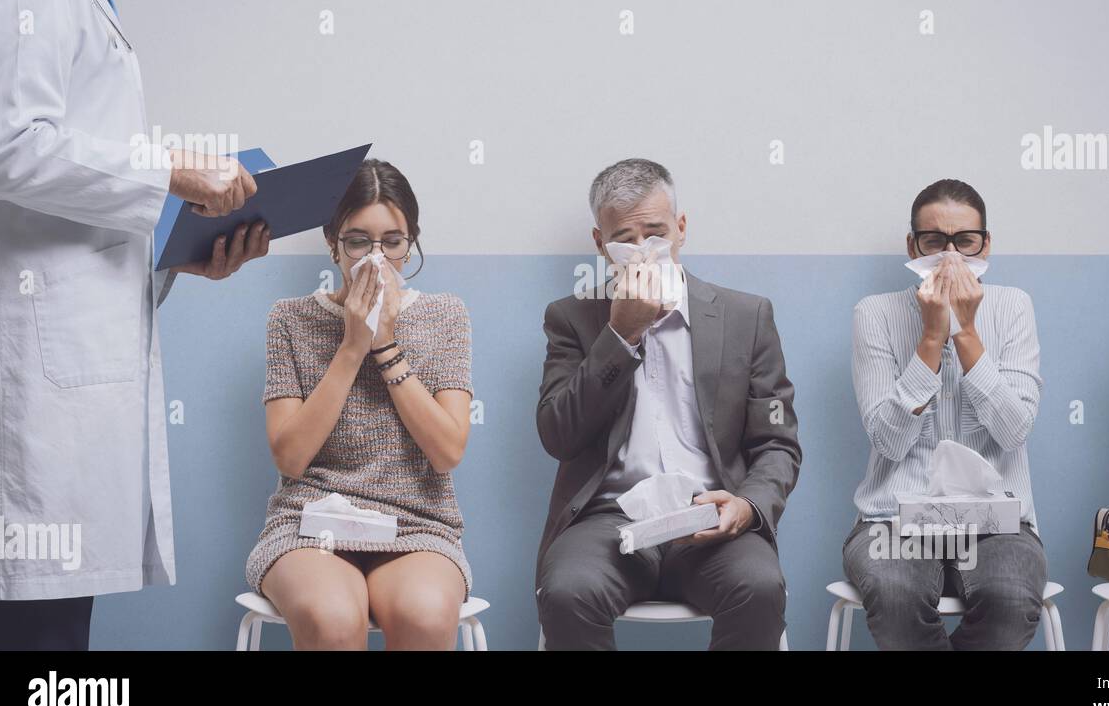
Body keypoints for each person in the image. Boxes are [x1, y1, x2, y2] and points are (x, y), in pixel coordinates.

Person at [0, 0, 267, 650]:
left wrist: (173, 254)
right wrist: (167, 168)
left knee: (55, 627)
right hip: (38, 393)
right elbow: (8, 149)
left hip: (70, 378)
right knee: (36, 634)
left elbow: (74, 208)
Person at [534, 157, 800, 650]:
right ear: (600, 244)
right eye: (624, 239)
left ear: (681, 228)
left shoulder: (747, 317)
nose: (642, 251)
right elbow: (558, 434)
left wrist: (746, 505)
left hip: (710, 514)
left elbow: (777, 443)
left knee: (760, 588)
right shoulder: (571, 318)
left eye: (655, 233)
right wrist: (621, 333)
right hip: (606, 521)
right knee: (568, 593)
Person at [246, 159, 474, 651]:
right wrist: (352, 346)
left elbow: (447, 451)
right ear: (333, 243)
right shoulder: (290, 319)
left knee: (426, 614)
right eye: (358, 241)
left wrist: (386, 344)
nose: (376, 257)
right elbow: (290, 457)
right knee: (331, 619)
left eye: (392, 242)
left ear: (410, 242)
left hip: (417, 525)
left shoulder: (445, 315)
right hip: (307, 526)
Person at [844, 179, 1047, 650]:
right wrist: (932, 339)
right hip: (892, 517)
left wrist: (967, 332)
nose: (950, 256)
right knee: (896, 595)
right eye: (934, 241)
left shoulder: (1014, 307)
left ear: (986, 245)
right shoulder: (874, 314)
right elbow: (888, 442)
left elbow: (1014, 431)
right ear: (912, 245)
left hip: (1000, 521)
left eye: (965, 241)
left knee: (1011, 599)